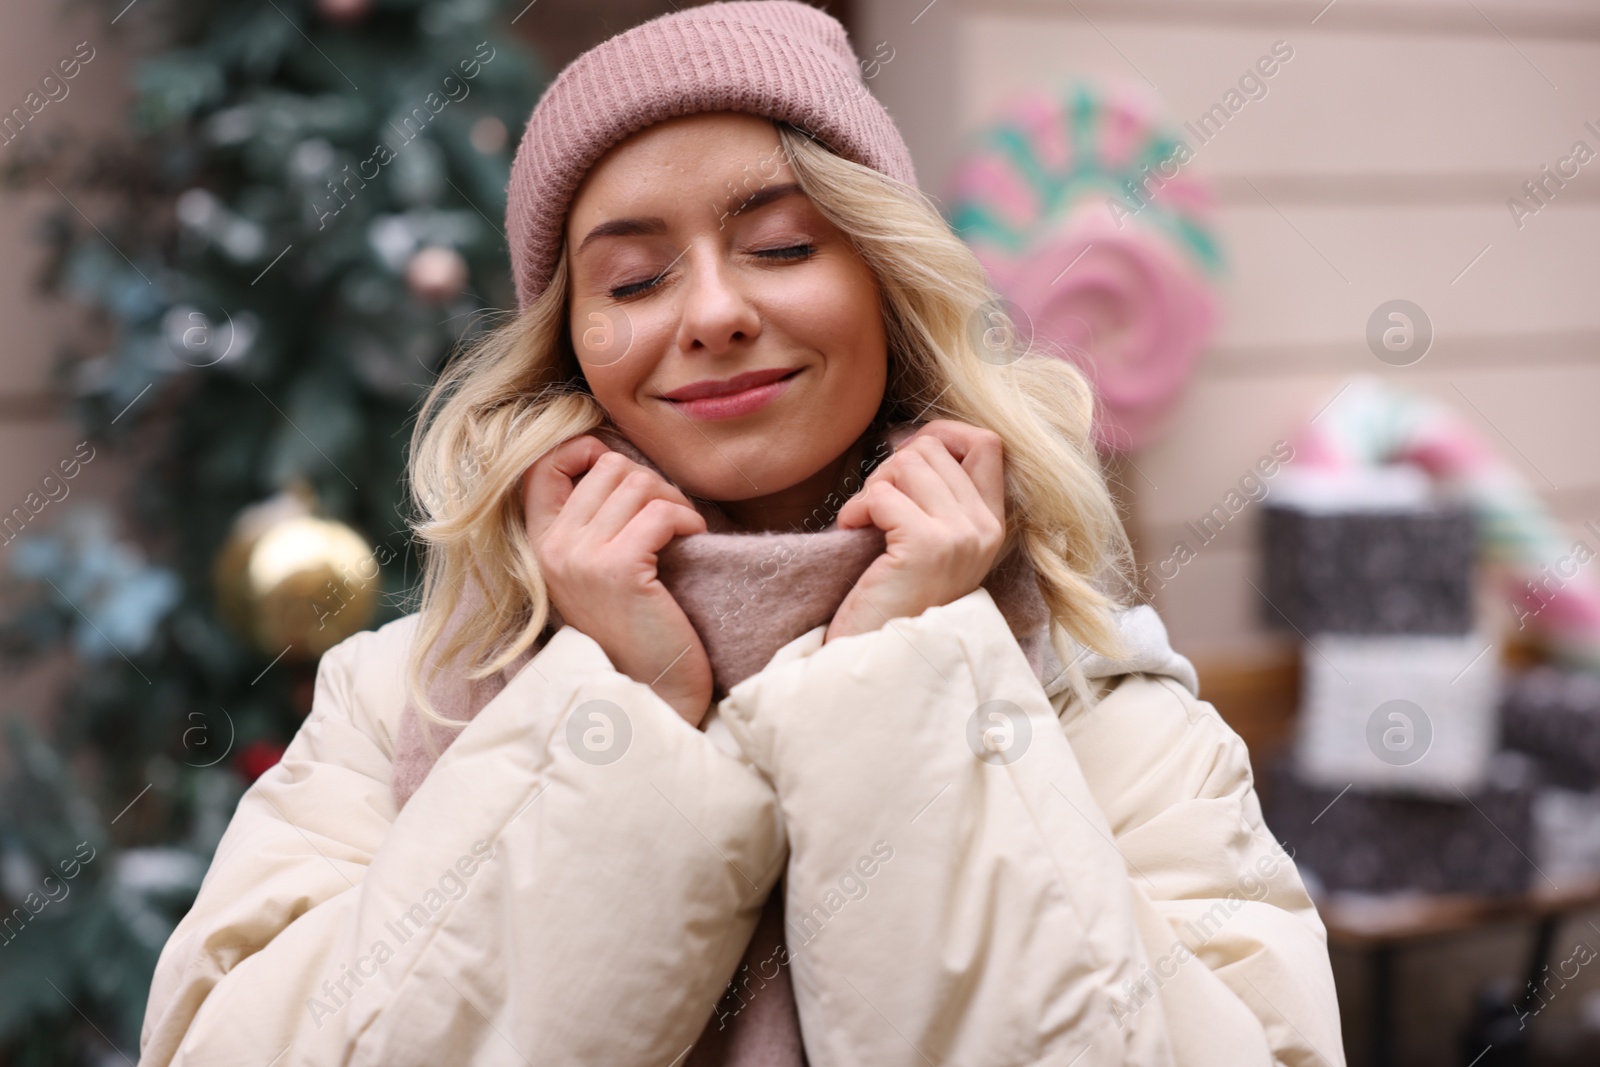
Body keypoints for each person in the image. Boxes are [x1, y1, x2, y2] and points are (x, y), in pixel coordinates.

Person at [138, 3, 1345, 1065]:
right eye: (631, 280)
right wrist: (622, 709)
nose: (713, 312)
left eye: (779, 246)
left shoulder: (1112, 707)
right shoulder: (402, 699)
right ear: (570, 346)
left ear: (886, 277)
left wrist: (899, 677)